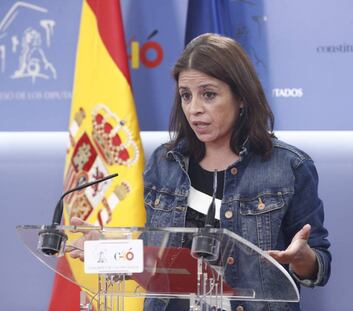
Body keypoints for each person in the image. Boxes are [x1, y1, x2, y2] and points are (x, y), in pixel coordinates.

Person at [71, 33, 331, 311]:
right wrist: (106, 253)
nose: (194, 109)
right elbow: (156, 257)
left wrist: (304, 259)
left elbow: (319, 263)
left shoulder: (288, 166)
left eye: (209, 94)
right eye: (186, 95)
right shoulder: (165, 162)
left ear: (241, 97)